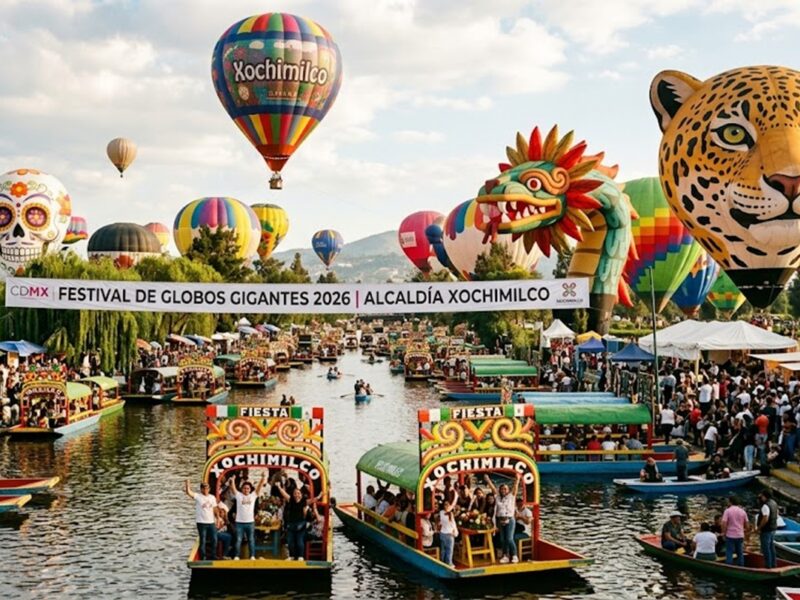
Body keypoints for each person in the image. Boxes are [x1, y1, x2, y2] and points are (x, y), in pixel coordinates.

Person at [484, 473, 521, 564]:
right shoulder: (497, 497)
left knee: (509, 538)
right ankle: (505, 555)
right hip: (500, 520)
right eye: (502, 489)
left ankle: (514, 555)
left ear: (508, 490)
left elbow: (515, 487)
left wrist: (517, 479)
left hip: (509, 519)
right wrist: (488, 480)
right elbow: (493, 488)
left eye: (505, 489)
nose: (503, 490)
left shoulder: (511, 497)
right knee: (502, 539)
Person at [230, 472, 267, 559]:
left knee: (251, 540)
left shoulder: (253, 496)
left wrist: (262, 478)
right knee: (238, 540)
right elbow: (233, 488)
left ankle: (252, 556)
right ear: (242, 489)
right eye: (244, 488)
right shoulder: (238, 495)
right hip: (239, 522)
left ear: (250, 489)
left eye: (248, 488)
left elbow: (259, 487)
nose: (246, 490)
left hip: (250, 522)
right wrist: (232, 480)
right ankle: (236, 556)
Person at [276, 481, 311, 560]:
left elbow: (314, 499)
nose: (297, 495)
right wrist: (279, 487)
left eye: (298, 493)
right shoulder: (290, 500)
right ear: (293, 494)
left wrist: (320, 494)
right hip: (291, 525)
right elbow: (284, 494)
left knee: (299, 541)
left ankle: (300, 556)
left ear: (301, 495)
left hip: (301, 525)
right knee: (290, 542)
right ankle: (291, 556)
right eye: (295, 493)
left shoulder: (304, 502)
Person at [184, 479, 217, 560]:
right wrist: (187, 484)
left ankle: (213, 555)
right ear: (201, 489)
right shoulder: (198, 496)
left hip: (211, 522)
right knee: (203, 540)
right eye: (204, 488)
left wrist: (218, 518)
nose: (206, 490)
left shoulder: (212, 497)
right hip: (201, 522)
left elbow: (215, 508)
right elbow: (189, 492)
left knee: (214, 539)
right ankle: (203, 557)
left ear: (209, 489)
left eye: (207, 488)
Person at [721, 496, 749, 566]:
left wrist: (723, 533)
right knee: (740, 552)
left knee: (729, 552)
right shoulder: (743, 511)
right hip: (740, 535)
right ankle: (741, 566)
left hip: (730, 535)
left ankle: (729, 566)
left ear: (730, 502)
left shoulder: (727, 511)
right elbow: (747, 524)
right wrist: (744, 531)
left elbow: (724, 523)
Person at [756, 490, 779, 569]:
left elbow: (765, 518)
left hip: (766, 529)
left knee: (766, 548)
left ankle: (768, 566)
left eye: (761, 496)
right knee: (771, 547)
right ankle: (774, 564)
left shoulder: (765, 506)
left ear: (764, 496)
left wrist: (759, 528)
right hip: (773, 528)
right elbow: (777, 514)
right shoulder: (774, 503)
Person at [438, 499, 457, 567]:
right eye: (446, 505)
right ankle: (448, 563)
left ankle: (443, 562)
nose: (447, 506)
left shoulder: (441, 512)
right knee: (449, 550)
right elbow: (453, 524)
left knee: (443, 549)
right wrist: (455, 532)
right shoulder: (449, 514)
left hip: (443, 533)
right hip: (448, 534)